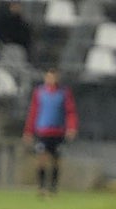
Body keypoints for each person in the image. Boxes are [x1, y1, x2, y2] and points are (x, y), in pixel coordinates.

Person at [22, 69, 78, 197]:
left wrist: (71, 128)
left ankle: (53, 186)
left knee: (56, 160)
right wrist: (28, 131)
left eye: (53, 78)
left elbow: (70, 112)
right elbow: (33, 111)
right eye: (49, 77)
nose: (51, 80)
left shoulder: (63, 93)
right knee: (41, 158)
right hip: (42, 131)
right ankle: (41, 186)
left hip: (58, 131)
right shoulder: (39, 92)